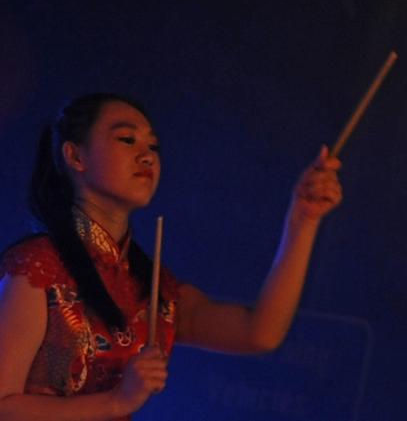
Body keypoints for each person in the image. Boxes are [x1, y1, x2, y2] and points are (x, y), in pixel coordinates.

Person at [0, 93, 342, 420]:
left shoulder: (153, 290)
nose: (147, 156)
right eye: (127, 140)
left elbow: (259, 333)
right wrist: (117, 400)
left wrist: (303, 220)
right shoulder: (38, 266)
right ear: (76, 157)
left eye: (153, 146)